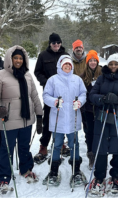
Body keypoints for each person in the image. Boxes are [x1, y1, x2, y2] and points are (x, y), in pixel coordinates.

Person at [0, 46, 43, 192]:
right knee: (6, 149)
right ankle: (3, 177)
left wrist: (39, 116)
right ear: (10, 59)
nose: (18, 60)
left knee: (24, 146)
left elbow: (34, 96)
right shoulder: (0, 75)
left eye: (21, 58)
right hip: (8, 119)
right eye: (16, 58)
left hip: (27, 119)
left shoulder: (27, 75)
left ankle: (26, 169)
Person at [88, 53, 118, 196]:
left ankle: (116, 175)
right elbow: (92, 95)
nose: (113, 66)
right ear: (107, 65)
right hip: (102, 118)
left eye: (116, 64)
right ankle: (99, 176)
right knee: (101, 147)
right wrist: (102, 98)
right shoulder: (101, 79)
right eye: (111, 64)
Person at [42, 55, 87, 186]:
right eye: (64, 65)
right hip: (58, 120)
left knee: (74, 145)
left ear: (72, 67)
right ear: (60, 66)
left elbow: (83, 93)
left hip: (73, 118)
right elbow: (46, 95)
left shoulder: (77, 79)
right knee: (56, 145)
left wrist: (79, 102)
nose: (67, 67)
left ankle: (76, 170)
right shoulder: (53, 80)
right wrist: (54, 102)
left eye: (69, 65)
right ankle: (54, 171)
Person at [34, 33, 69, 163]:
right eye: (54, 43)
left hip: (63, 94)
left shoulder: (65, 56)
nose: (56, 45)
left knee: (62, 118)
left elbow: (70, 72)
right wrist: (47, 82)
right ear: (50, 43)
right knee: (48, 119)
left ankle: (60, 143)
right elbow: (37, 72)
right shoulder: (43, 55)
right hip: (49, 93)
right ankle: (44, 145)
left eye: (58, 43)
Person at [79, 50, 102, 169]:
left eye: (94, 60)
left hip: (100, 109)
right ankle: (91, 154)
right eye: (90, 60)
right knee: (89, 132)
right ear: (87, 62)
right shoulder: (82, 77)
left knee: (100, 132)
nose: (92, 63)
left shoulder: (102, 74)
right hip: (87, 110)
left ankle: (100, 154)